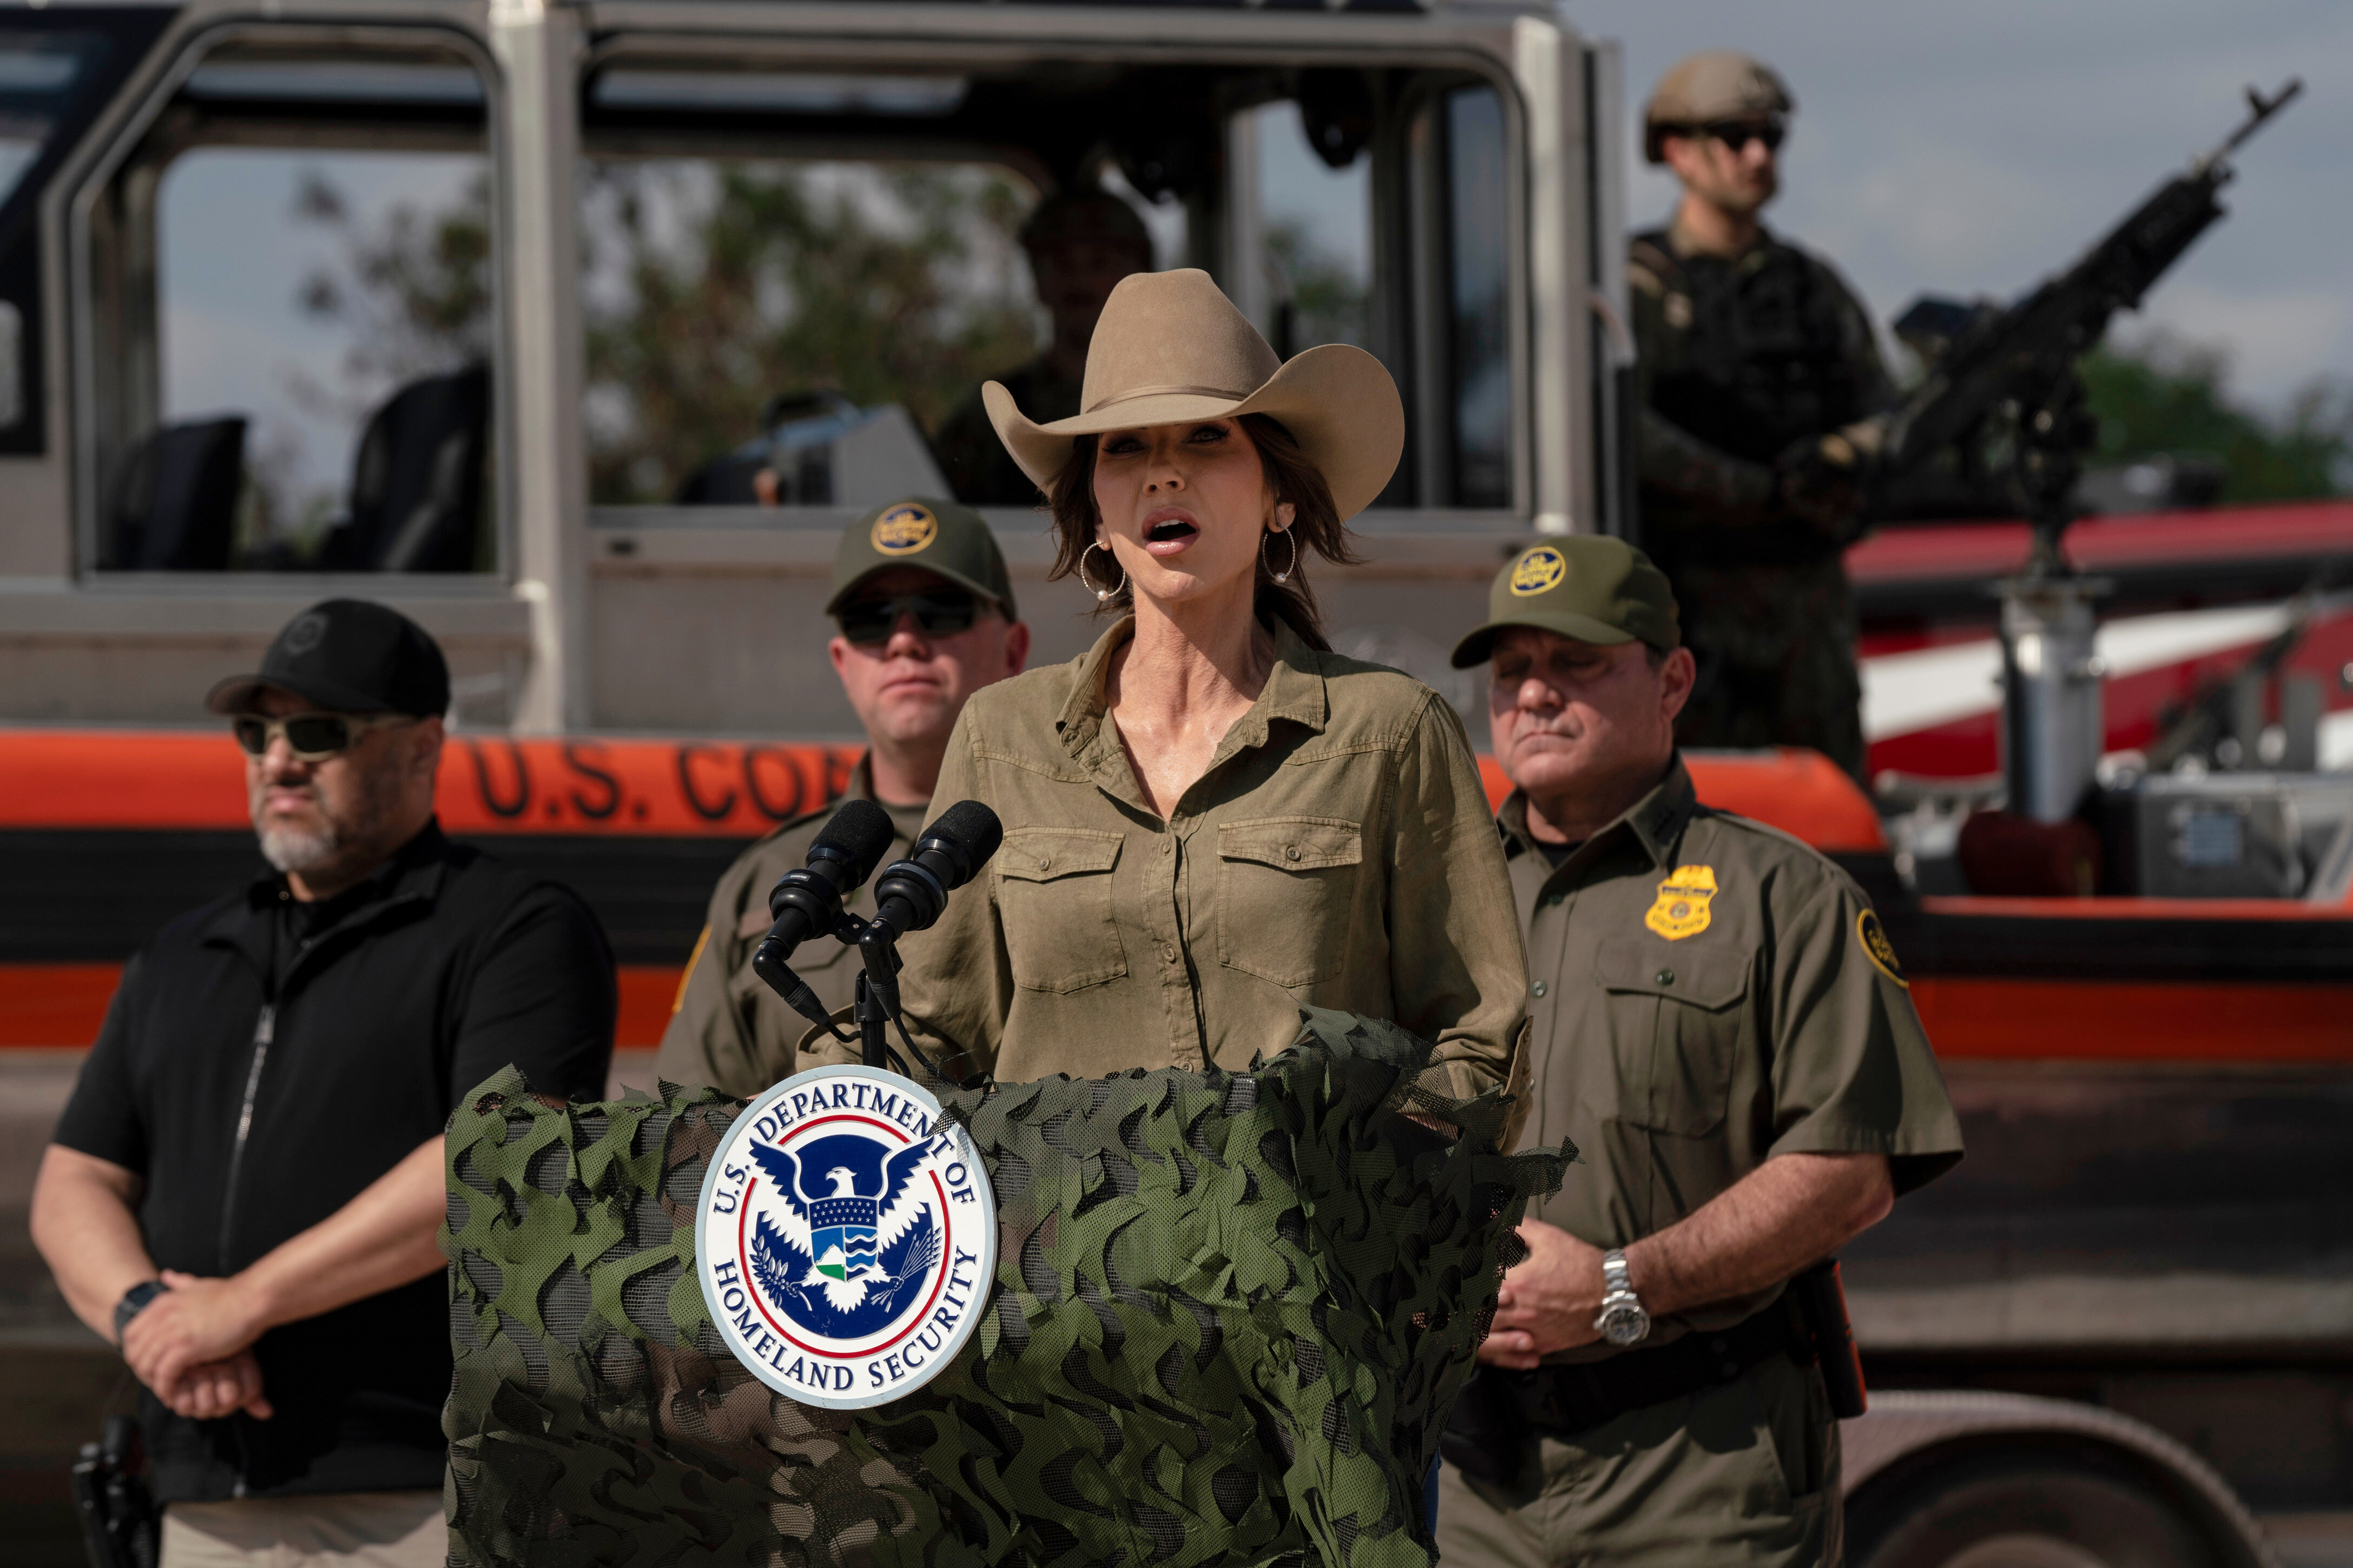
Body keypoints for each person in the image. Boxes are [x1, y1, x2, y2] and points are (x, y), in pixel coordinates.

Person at [813, 267, 1525, 1105]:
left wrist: (1361, 1195)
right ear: (1098, 516)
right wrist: (815, 1103)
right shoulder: (1001, 735)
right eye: (1125, 447)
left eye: (1205, 438)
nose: (1162, 473)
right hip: (1056, 1237)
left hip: (1310, 1238)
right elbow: (928, 1030)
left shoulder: (1391, 731)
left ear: (1280, 498)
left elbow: (1481, 1042)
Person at [29, 599, 615, 1568]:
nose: (277, 757)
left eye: (317, 731)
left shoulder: (514, 929)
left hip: (417, 1490)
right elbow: (75, 1180)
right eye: (256, 731)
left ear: (424, 745)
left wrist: (246, 1301)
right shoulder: (182, 955)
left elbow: (494, 1163)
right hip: (198, 1491)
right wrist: (149, 1321)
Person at [1431, 538, 1963, 1567]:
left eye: (1576, 661)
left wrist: (1621, 1281)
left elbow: (1848, 1172)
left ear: (1670, 679)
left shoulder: (1785, 899)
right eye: (1511, 670)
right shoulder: (1434, 902)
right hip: (1480, 1478)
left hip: (1705, 1470)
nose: (1534, 694)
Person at [656, 497, 1029, 1097]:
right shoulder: (765, 880)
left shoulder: (1065, 846)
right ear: (841, 661)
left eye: (940, 611)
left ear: (1013, 649)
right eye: (870, 620)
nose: (904, 639)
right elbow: (685, 1126)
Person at [1630, 50, 1895, 779]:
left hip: (1805, 611)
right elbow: (1622, 431)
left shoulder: (1812, 288)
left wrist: (1836, 457)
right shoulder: (1641, 288)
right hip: (1690, 606)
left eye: (1769, 136)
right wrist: (1751, 488)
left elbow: (1885, 411)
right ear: (1677, 151)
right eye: (1733, 136)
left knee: (1830, 812)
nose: (1757, 154)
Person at [931, 187, 1155, 505]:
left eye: (1099, 263)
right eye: (1063, 264)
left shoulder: (1177, 402)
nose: (1080, 282)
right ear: (1038, 278)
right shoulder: (997, 415)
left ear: (1140, 275)